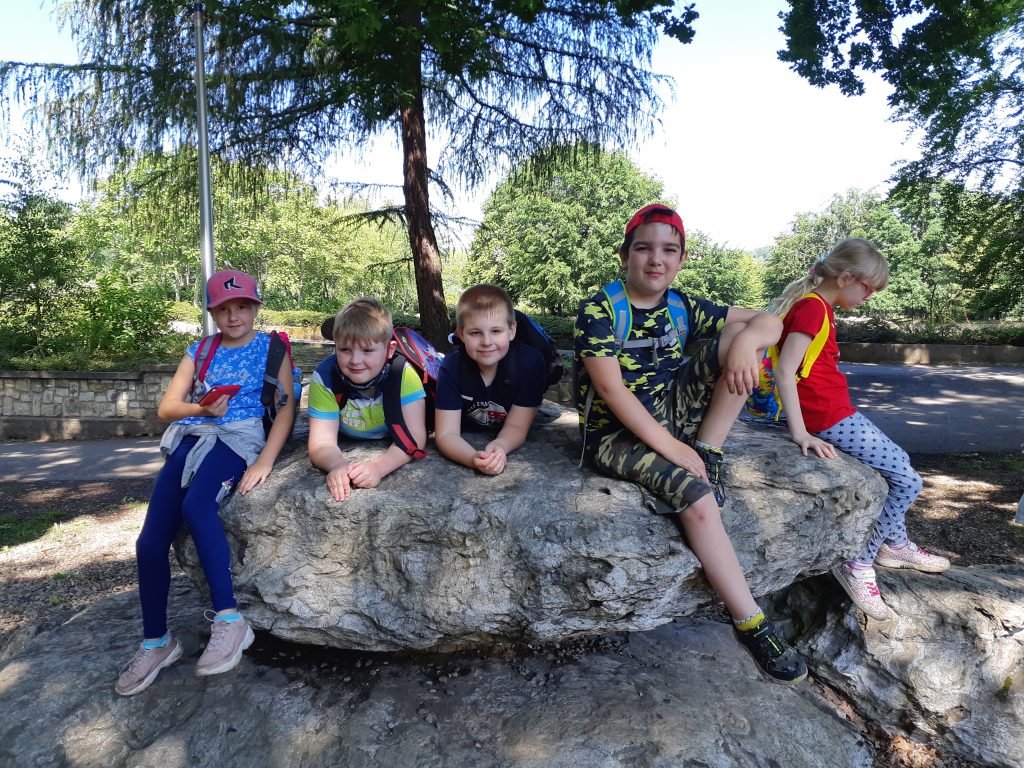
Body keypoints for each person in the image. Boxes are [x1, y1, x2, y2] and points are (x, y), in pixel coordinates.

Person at [575, 204, 807, 685]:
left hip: (672, 414)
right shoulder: (600, 310)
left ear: (681, 259)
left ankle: (710, 448)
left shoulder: (684, 306)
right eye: (644, 248)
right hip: (615, 434)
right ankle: (751, 623)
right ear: (625, 255)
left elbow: (772, 323)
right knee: (698, 501)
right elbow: (613, 391)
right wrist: (672, 450)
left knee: (742, 334)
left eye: (669, 250)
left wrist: (743, 346)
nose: (656, 259)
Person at [116, 270, 295, 696]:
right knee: (149, 541)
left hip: (240, 438)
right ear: (213, 313)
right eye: (224, 309)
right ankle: (157, 642)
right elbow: (167, 408)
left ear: (255, 307)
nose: (234, 316)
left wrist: (265, 460)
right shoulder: (200, 351)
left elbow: (287, 407)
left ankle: (230, 619)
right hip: (194, 434)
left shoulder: (273, 349)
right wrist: (202, 408)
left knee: (197, 508)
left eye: (243, 306)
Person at [769, 239, 950, 620]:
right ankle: (860, 561)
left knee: (900, 462)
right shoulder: (811, 309)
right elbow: (785, 372)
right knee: (908, 481)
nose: (869, 296)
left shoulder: (820, 308)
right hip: (825, 418)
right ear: (846, 278)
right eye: (868, 288)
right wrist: (800, 432)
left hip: (836, 412)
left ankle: (895, 543)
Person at [306, 297, 427, 501]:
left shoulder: (403, 374)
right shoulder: (325, 377)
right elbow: (321, 442)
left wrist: (378, 468)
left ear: (389, 350)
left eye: (368, 350)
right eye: (345, 350)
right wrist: (337, 466)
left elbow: (415, 437)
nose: (355, 360)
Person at [434, 284, 545, 475]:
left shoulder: (530, 364)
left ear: (511, 330)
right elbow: (446, 434)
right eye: (475, 333)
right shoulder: (452, 366)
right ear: (461, 333)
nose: (486, 342)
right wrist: (473, 458)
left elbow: (517, 426)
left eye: (496, 331)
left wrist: (500, 446)